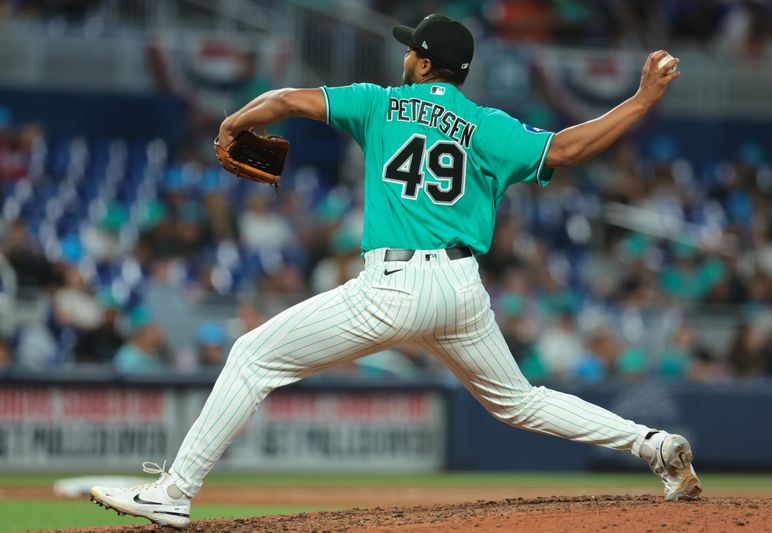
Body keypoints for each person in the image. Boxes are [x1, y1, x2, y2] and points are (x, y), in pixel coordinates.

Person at [89, 14, 700, 528]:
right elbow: (568, 147)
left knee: (252, 356)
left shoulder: (380, 104)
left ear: (428, 65)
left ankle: (173, 495)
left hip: (395, 286)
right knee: (520, 401)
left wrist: (232, 124)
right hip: (461, 288)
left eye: (414, 49)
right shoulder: (488, 126)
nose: (406, 55)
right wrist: (643, 98)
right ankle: (652, 444)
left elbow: (283, 100)